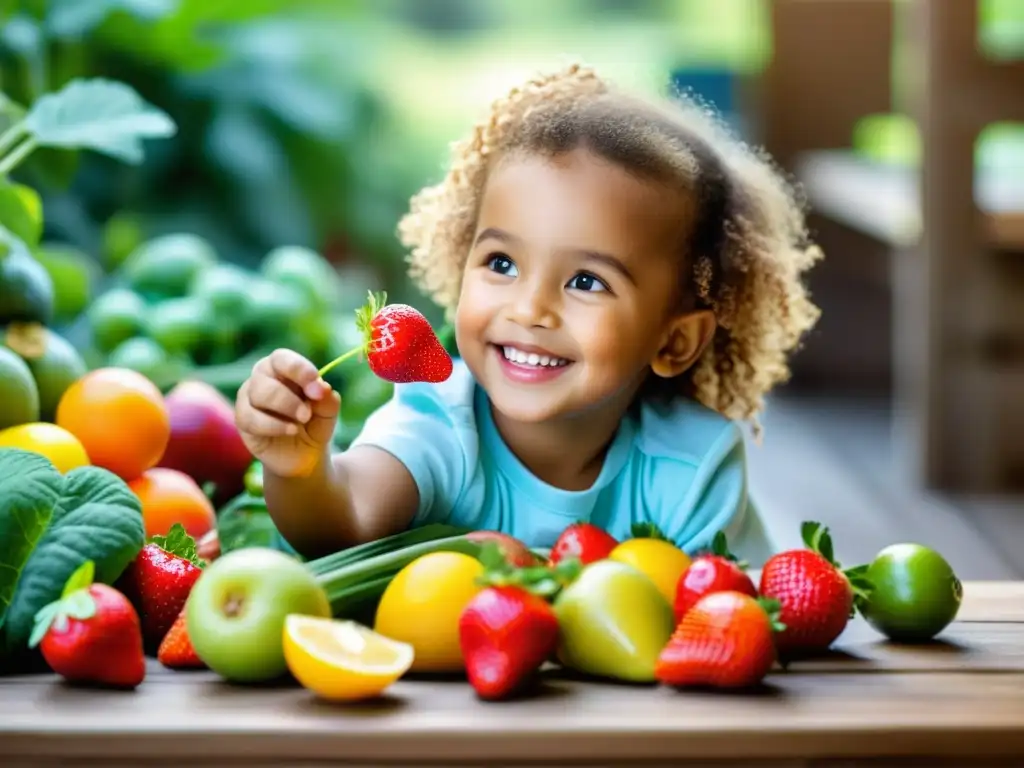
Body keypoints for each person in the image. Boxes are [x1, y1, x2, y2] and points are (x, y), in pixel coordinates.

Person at [234, 63, 823, 565]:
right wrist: (301, 472)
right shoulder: (440, 421)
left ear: (674, 342)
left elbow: (733, 614)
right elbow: (346, 519)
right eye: (501, 264)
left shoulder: (692, 466)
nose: (530, 307)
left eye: (586, 281)